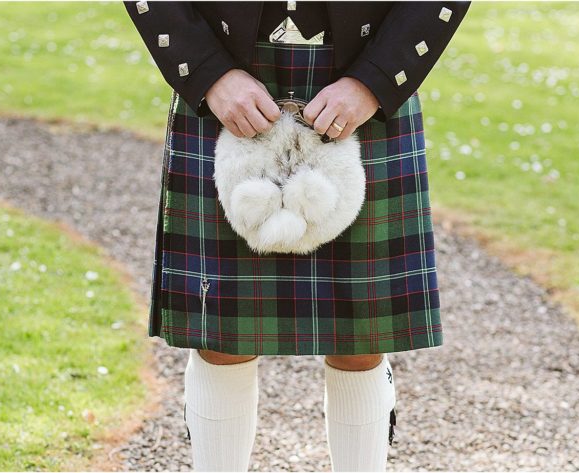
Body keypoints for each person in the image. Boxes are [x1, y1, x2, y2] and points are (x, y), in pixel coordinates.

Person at [126, 2, 469, 471]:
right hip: (225, 77)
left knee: (362, 337)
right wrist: (209, 73)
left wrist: (377, 78)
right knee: (222, 336)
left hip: (362, 79)